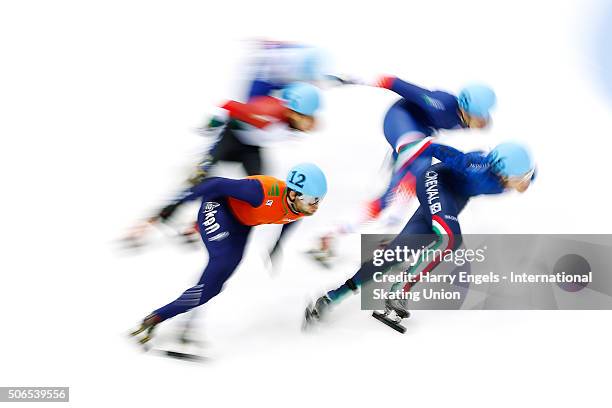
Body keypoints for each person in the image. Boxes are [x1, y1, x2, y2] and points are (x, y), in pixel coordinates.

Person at [303, 142, 536, 331]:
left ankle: (332, 297)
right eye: (522, 177)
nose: (526, 182)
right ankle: (399, 291)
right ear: (502, 171)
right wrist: (404, 154)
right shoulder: (474, 165)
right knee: (450, 239)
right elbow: (434, 148)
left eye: (529, 175)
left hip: (453, 198)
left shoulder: (511, 173)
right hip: (435, 182)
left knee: (396, 253)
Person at [130, 163, 328, 345]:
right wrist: (175, 205)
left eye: (319, 200)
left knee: (213, 287)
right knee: (218, 268)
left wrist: (277, 244)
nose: (315, 206)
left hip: (242, 225)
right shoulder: (262, 192)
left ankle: (158, 318)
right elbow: (214, 184)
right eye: (311, 199)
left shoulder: (301, 208)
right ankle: (162, 318)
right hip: (218, 208)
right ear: (293, 194)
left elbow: (290, 220)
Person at [308, 76, 497, 266]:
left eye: (484, 116)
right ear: (464, 109)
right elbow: (394, 83)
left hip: (419, 132)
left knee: (402, 191)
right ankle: (333, 234)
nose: (481, 121)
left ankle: (378, 240)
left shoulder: (466, 118)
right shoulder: (441, 103)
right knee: (405, 183)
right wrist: (352, 80)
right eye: (478, 116)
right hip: (399, 120)